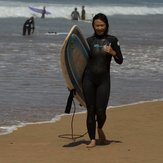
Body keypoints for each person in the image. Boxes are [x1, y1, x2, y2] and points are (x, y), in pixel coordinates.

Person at [82, 13, 123, 148]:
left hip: (103, 80)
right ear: (93, 26)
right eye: (97, 25)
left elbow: (120, 61)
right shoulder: (88, 41)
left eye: (102, 25)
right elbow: (78, 63)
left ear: (106, 25)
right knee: (90, 110)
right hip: (88, 79)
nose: (99, 28)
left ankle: (100, 128)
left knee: (101, 111)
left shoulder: (112, 40)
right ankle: (92, 139)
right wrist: (72, 83)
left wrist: (113, 53)